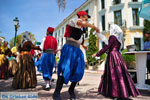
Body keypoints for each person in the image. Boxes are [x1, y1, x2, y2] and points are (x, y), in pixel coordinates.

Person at [53, 11, 100, 100]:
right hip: (69, 49)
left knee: (78, 71)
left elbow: (79, 38)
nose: (87, 19)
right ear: (81, 16)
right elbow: (80, 23)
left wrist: (83, 45)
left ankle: (71, 90)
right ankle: (56, 93)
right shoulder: (73, 21)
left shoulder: (82, 28)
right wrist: (94, 27)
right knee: (65, 70)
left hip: (77, 50)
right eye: (86, 17)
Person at [92, 24, 140, 99]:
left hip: (113, 57)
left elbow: (107, 46)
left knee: (113, 74)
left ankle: (115, 93)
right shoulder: (119, 39)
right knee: (120, 74)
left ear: (113, 30)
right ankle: (123, 92)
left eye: (110, 28)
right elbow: (116, 47)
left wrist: (97, 54)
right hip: (118, 56)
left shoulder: (112, 37)